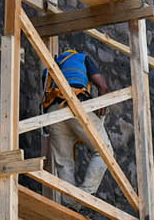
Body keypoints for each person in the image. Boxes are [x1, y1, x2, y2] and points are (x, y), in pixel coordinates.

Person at [44, 49, 110, 195]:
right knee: (104, 152)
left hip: (53, 114)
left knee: (64, 163)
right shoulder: (82, 58)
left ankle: (71, 203)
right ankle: (85, 194)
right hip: (75, 105)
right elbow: (103, 87)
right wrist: (102, 116)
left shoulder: (51, 65)